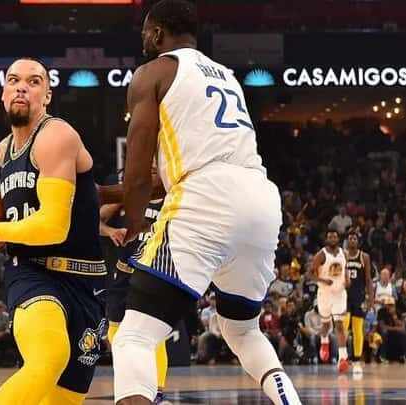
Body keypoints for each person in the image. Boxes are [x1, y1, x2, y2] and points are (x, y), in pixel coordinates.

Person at [99, 2, 301, 403]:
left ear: (158, 33)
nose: (143, 40)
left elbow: (137, 174)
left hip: (206, 197)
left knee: (134, 335)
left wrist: (135, 226)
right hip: (260, 197)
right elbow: (165, 178)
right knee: (242, 330)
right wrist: (102, 195)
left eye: (145, 32)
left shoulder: (152, 73)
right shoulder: (227, 76)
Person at [0, 57, 106, 405]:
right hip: (32, 274)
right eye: (13, 80)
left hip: (86, 280)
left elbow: (53, 225)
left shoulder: (56, 135)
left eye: (34, 81)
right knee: (48, 357)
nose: (22, 86)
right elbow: (22, 216)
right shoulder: (3, 150)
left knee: (64, 399)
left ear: (47, 96)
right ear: (3, 94)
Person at [99, 170, 168, 401]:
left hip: (155, 272)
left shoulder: (174, 196)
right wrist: (111, 231)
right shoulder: (129, 195)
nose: (152, 165)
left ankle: (157, 390)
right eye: (149, 162)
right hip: (124, 271)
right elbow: (94, 220)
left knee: (153, 332)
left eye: (156, 162)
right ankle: (130, 380)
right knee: (115, 330)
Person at [309, 230, 349, 373]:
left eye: (334, 236)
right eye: (330, 236)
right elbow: (309, 274)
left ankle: (343, 358)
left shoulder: (343, 253)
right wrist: (322, 280)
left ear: (338, 238)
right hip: (325, 293)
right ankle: (324, 340)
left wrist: (347, 279)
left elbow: (346, 268)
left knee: (339, 325)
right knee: (326, 325)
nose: (332, 238)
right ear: (327, 238)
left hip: (339, 293)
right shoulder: (321, 255)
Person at [342, 231, 373, 375]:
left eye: (355, 238)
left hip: (358, 297)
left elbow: (368, 279)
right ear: (347, 241)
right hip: (344, 297)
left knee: (357, 328)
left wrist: (370, 298)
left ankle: (356, 361)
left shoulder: (364, 257)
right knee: (343, 326)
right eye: (350, 238)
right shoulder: (342, 255)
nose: (352, 240)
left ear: (358, 241)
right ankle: (342, 357)